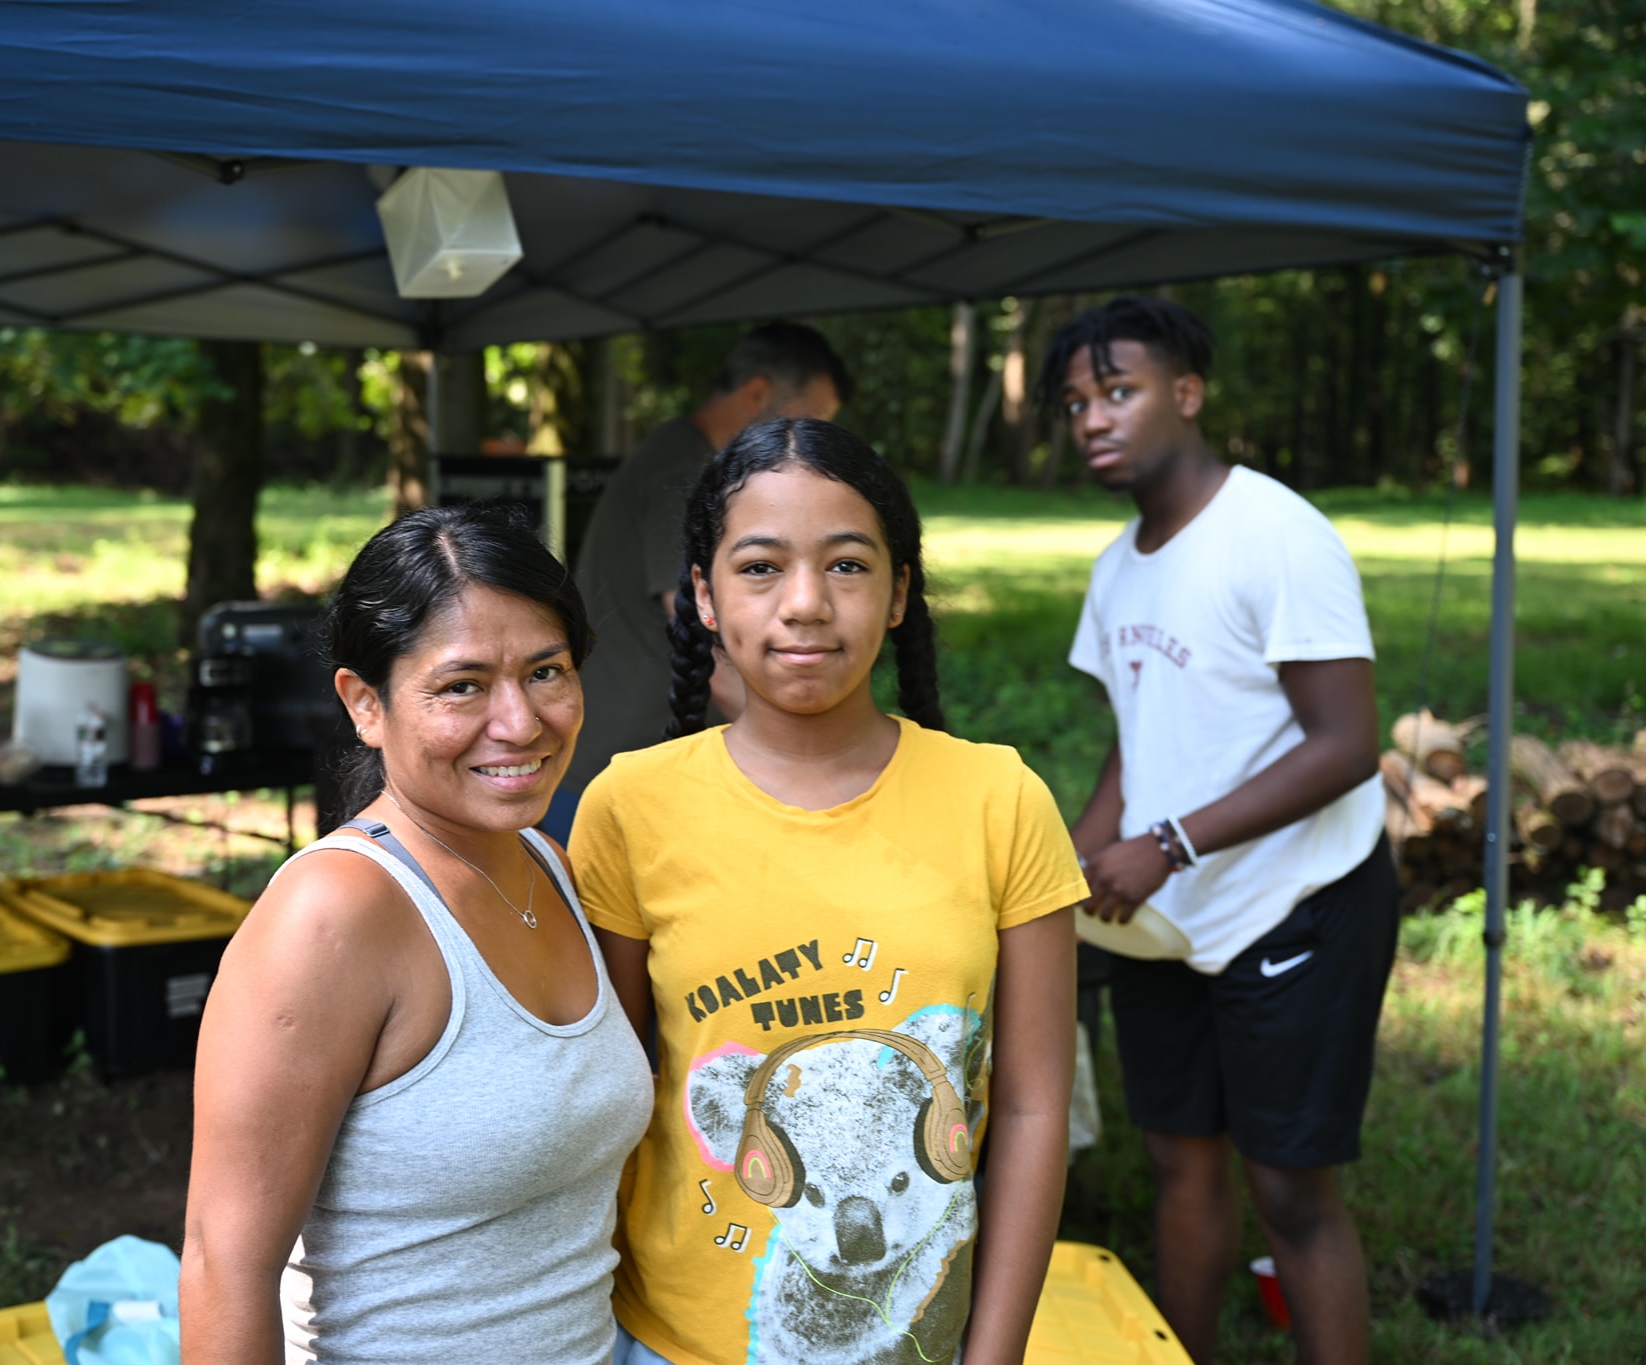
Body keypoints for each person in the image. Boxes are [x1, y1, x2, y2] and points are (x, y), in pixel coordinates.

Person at [575, 419, 1083, 1365]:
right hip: (670, 1343)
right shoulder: (628, 808)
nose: (805, 603)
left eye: (847, 565)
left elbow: (1030, 1109)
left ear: (899, 593)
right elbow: (604, 1093)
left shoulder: (1001, 800)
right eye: (760, 567)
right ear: (703, 595)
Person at [180, 505, 654, 1365]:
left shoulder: (548, 865)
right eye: (462, 685)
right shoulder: (332, 915)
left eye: (546, 671)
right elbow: (224, 1263)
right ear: (366, 704)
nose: (520, 722)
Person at [1047, 296, 1393, 1365]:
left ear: (1187, 394)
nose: (1093, 418)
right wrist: (1073, 862)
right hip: (1166, 919)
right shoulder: (1117, 567)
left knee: (1288, 1189)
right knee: (1179, 1162)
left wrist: (1167, 846)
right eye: (1076, 402)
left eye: (1119, 391)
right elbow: (1138, 737)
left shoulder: (1273, 533)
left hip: (1296, 900)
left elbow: (1346, 743)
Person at [552, 323, 852, 839]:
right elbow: (699, 634)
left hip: (638, 762)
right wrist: (818, 752)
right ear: (757, 393)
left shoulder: (690, 460)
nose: (810, 446)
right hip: (616, 774)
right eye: (811, 419)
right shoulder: (683, 469)